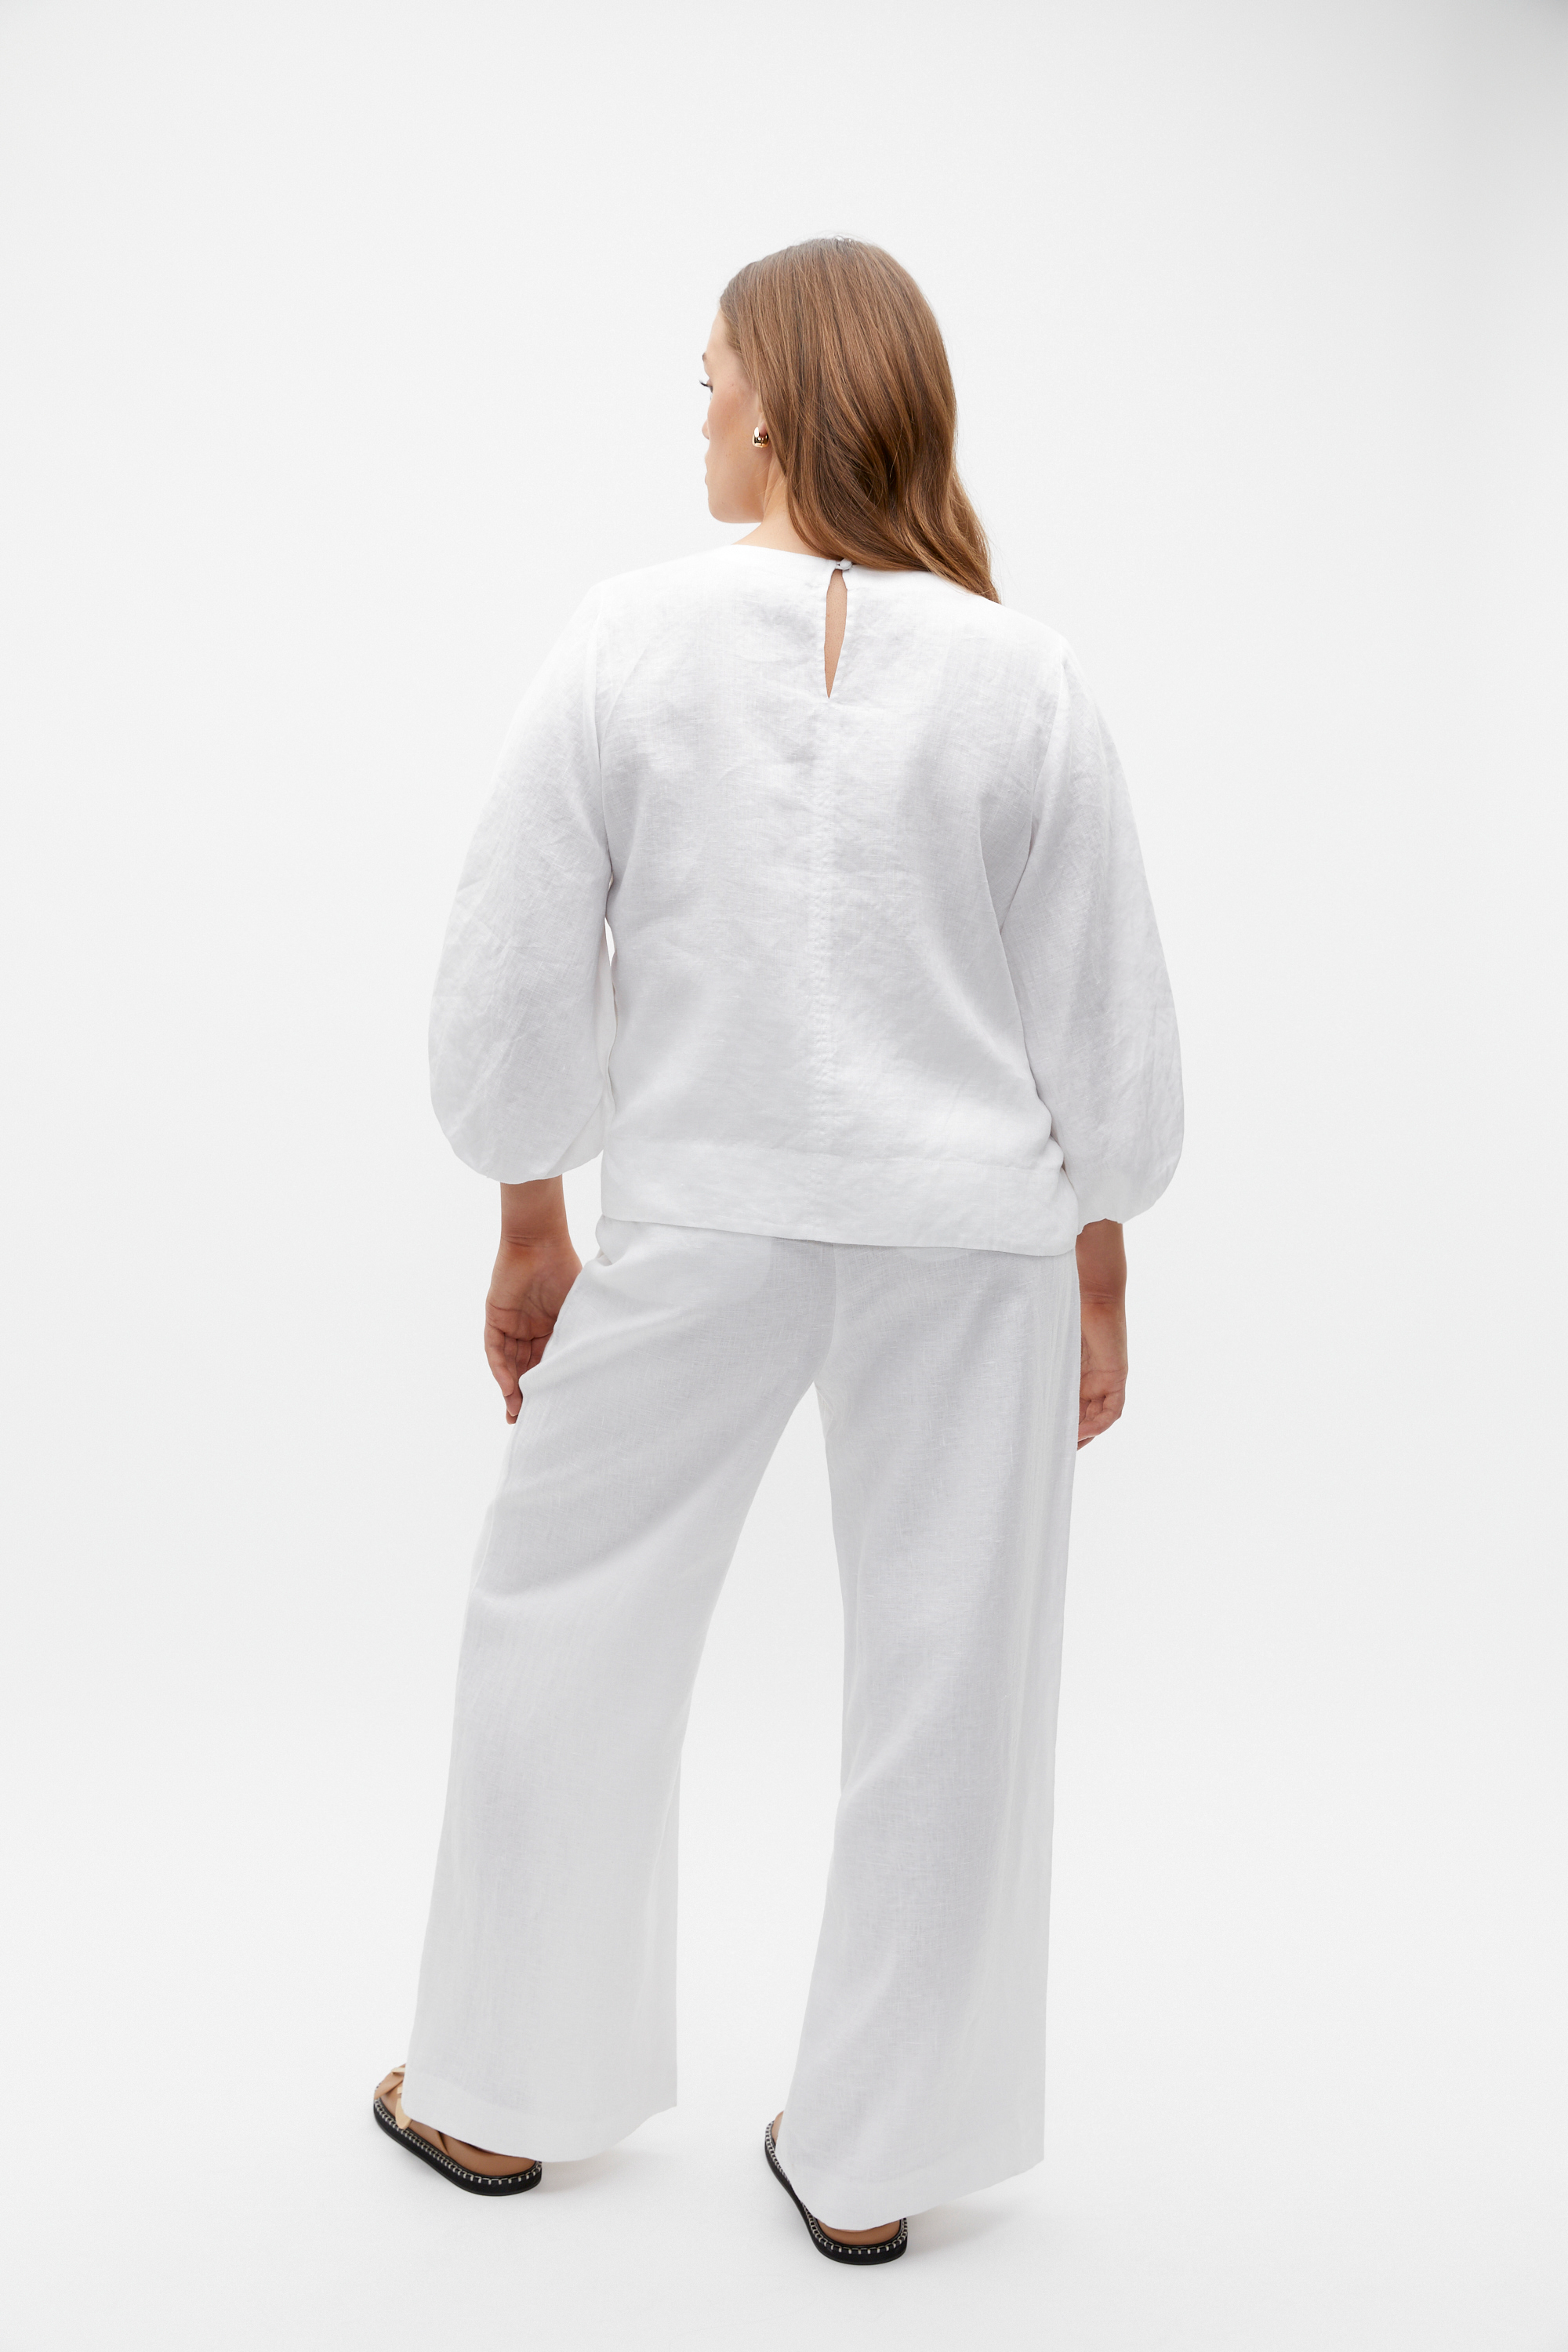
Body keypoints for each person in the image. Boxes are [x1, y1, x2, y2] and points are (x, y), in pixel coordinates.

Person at [372, 236, 1182, 2263]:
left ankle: (496, 2092)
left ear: (782, 401)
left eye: (713, 376)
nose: (703, 411)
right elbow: (1105, 1028)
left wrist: (530, 1209)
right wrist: (1097, 1265)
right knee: (954, 1684)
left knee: (562, 1624)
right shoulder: (1024, 675)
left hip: (702, 1211)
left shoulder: (627, 639)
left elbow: (515, 959)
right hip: (974, 1240)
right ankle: (873, 2155)